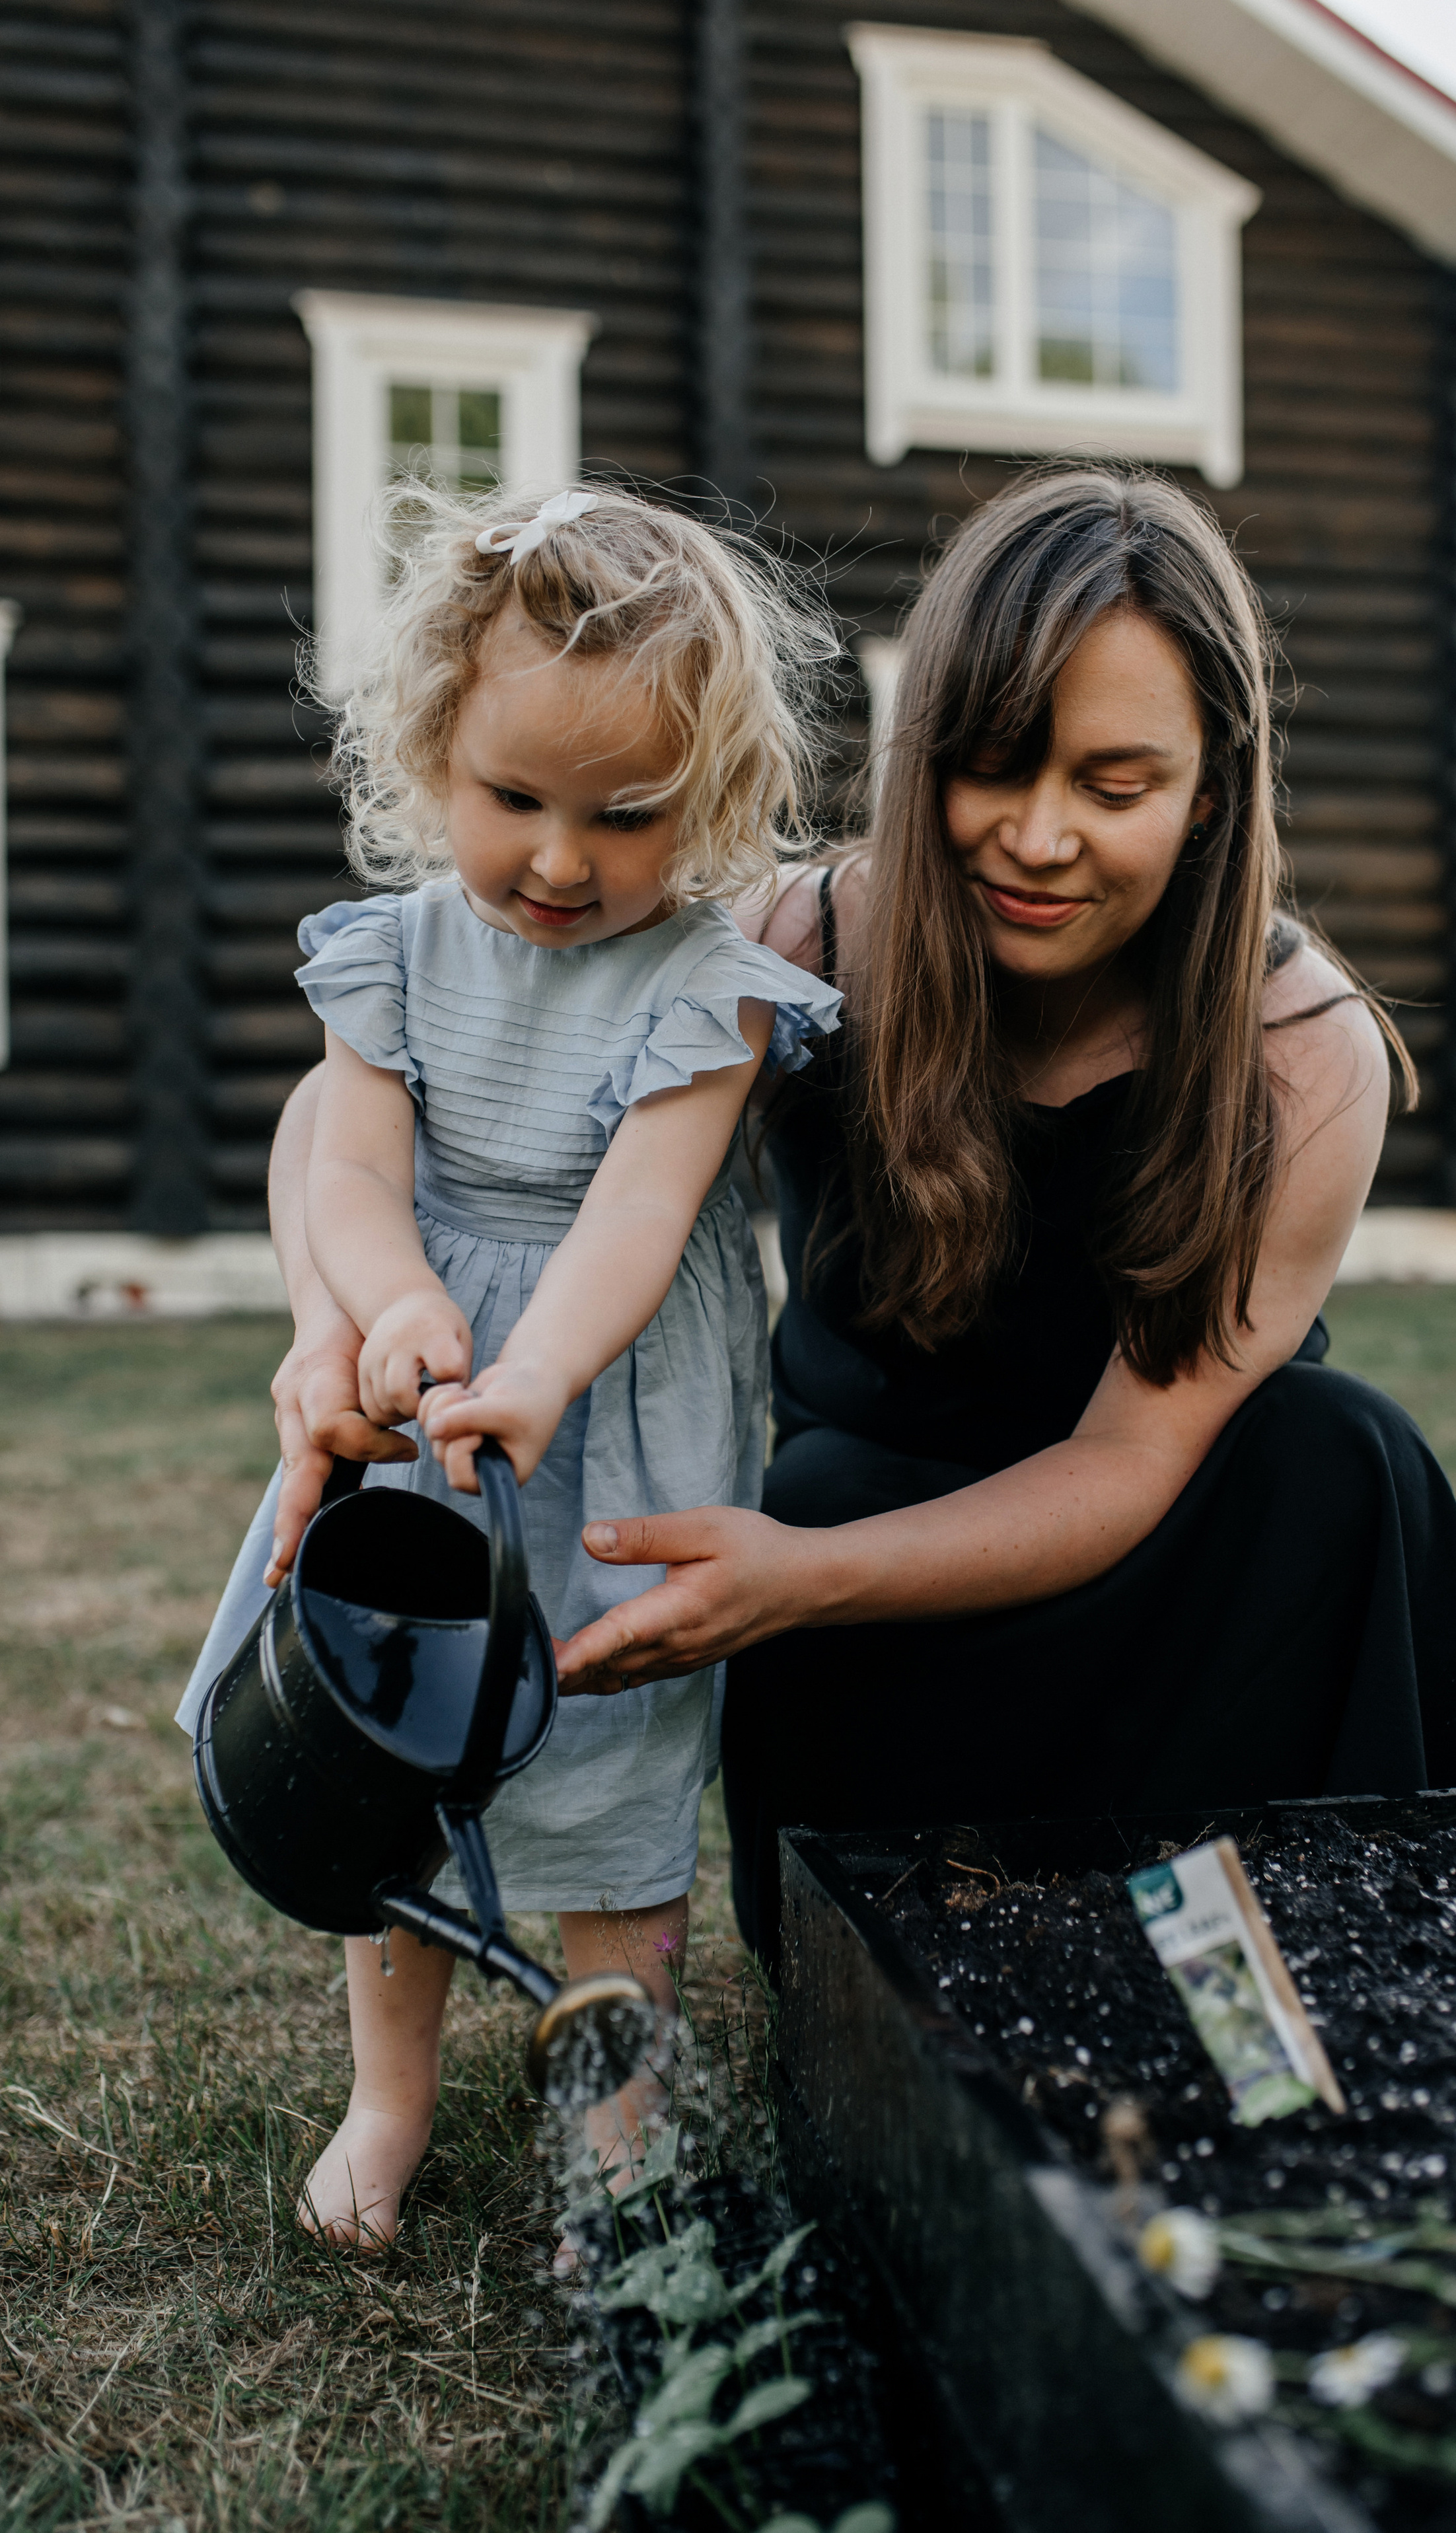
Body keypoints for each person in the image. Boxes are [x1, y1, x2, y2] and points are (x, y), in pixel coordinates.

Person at [262, 466, 1456, 1994]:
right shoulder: (801, 945)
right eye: (992, 767)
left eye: (1114, 787)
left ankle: (1285, 1965)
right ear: (920, 752)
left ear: (1208, 791)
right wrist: (329, 1323)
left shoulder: (1299, 1052)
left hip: (1170, 1581)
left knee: (1332, 1448)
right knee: (948, 1973)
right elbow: (358, 1103)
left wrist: (803, 1576)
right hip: (860, 1574)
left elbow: (1128, 1462)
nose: (1038, 837)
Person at [177, 481, 840, 2244]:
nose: (560, 859)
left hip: (609, 1413)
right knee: (387, 1751)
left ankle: (616, 2125)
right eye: (513, 800)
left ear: (707, 794)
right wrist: (391, 1305)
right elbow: (348, 1165)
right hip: (425, 1408)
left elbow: (642, 1214)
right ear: (431, 755)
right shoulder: (390, 955)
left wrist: (536, 1372)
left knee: (616, 1772)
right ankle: (387, 2097)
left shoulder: (709, 987)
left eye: (625, 815)